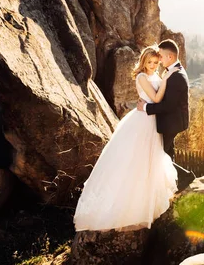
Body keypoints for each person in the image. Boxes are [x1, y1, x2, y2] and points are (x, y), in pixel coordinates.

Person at [73, 46, 178, 232]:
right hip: (143, 122)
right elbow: (155, 98)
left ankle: (147, 201)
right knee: (135, 160)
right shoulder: (142, 77)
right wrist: (167, 80)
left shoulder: (155, 76)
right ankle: (126, 206)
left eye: (155, 63)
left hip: (153, 121)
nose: (153, 66)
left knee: (150, 160)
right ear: (143, 62)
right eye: (149, 63)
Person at [137, 39, 195, 191]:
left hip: (171, 122)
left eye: (161, 56)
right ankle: (172, 185)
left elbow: (168, 105)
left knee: (160, 156)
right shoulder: (173, 71)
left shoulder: (176, 76)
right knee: (168, 154)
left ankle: (186, 177)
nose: (159, 59)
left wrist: (146, 107)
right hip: (171, 121)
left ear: (170, 56)